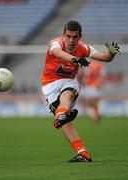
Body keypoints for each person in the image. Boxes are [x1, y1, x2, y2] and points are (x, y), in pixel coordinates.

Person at [41, 20, 120, 162]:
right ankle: (83, 153)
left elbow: (105, 57)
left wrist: (111, 53)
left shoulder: (83, 48)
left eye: (75, 37)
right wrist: (75, 59)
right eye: (68, 36)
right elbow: (58, 54)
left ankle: (60, 114)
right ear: (63, 35)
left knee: (68, 94)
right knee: (65, 123)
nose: (71, 40)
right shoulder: (55, 43)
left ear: (80, 36)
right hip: (49, 86)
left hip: (68, 82)